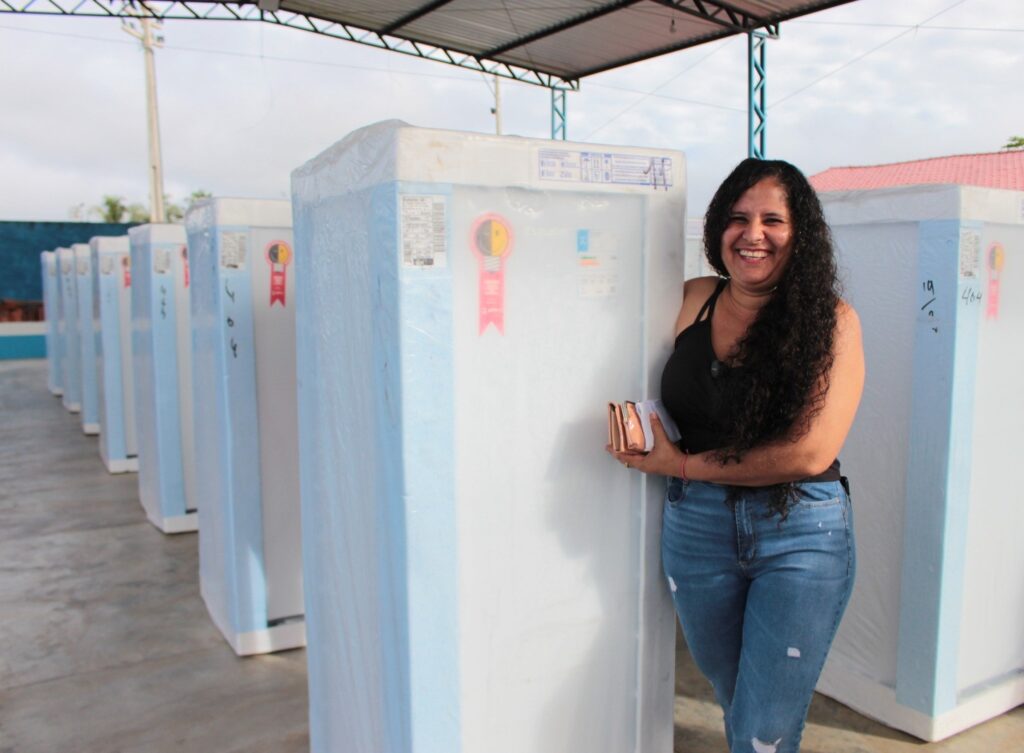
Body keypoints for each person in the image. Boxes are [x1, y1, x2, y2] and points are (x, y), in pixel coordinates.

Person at [608, 158, 865, 753]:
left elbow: (808, 453)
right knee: (739, 706)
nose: (753, 234)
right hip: (696, 529)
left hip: (800, 530)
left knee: (762, 729)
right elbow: (606, 339)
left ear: (801, 234)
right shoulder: (693, 299)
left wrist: (677, 464)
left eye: (773, 219)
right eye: (737, 218)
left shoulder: (832, 322)